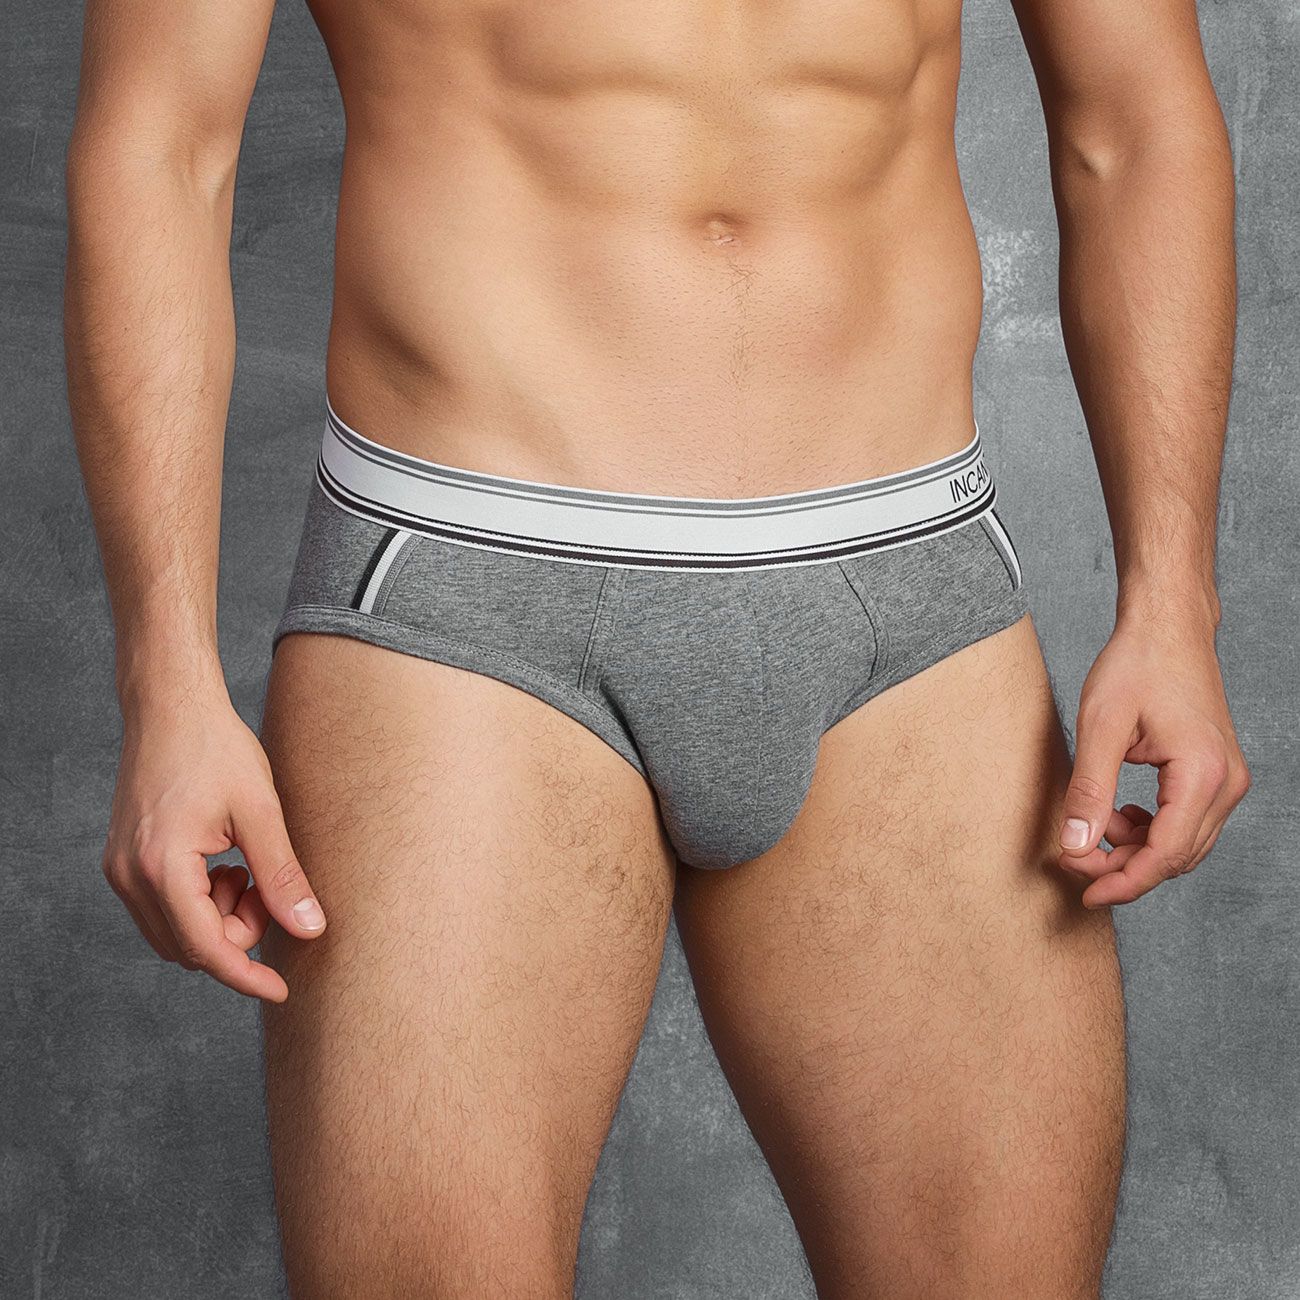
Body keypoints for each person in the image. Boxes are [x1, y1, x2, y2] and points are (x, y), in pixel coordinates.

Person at [63, 0, 1249, 1295]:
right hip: (468, 589)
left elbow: (1132, 121)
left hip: (909, 593)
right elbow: (162, 145)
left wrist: (1172, 602)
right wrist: (166, 680)